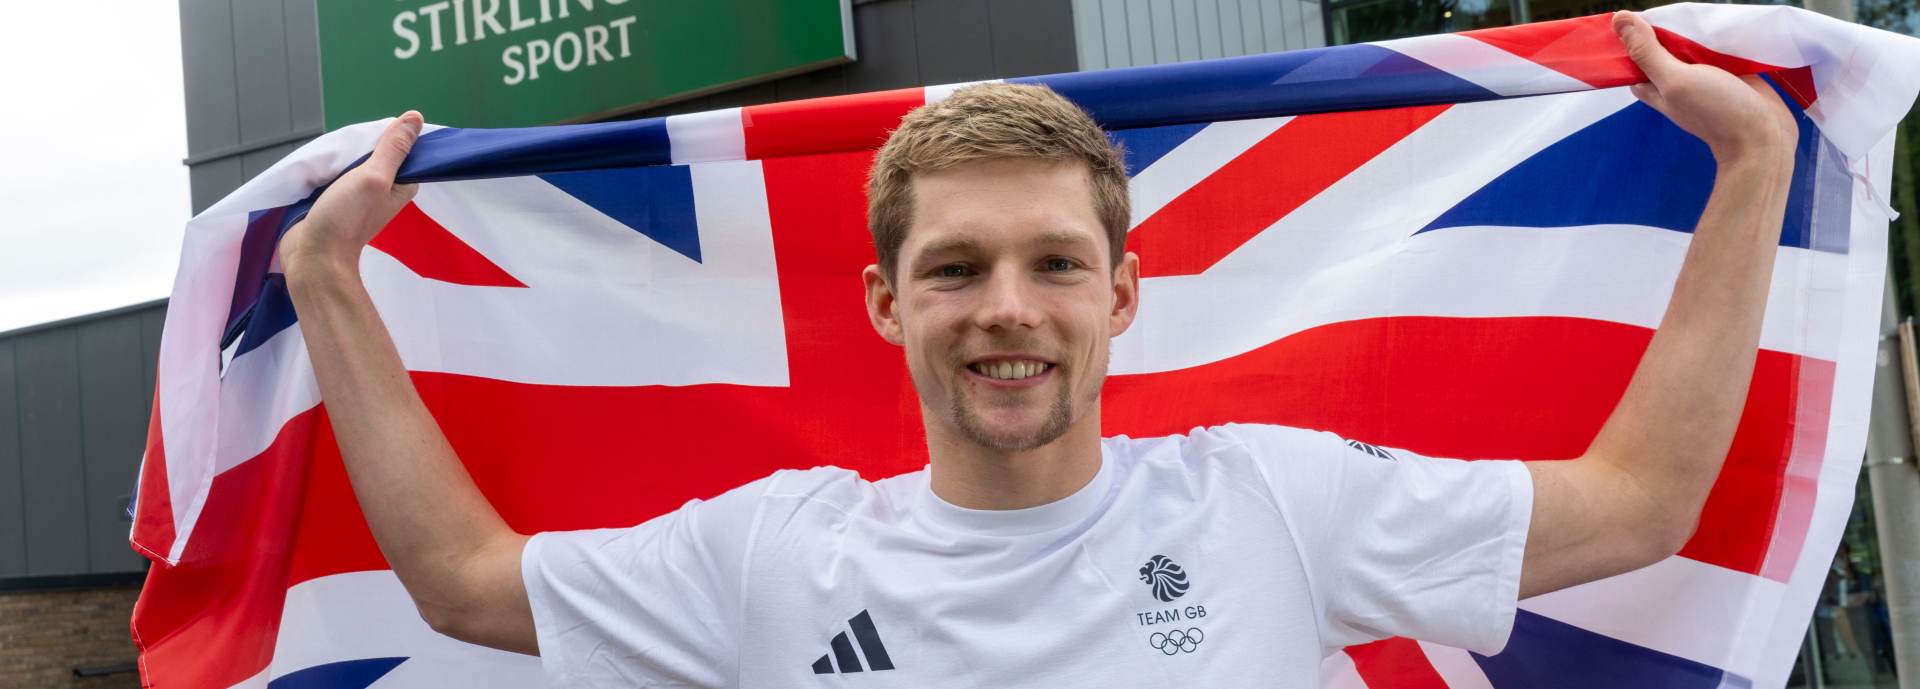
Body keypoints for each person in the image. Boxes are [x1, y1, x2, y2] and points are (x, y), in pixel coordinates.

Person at [275, 11, 1798, 686]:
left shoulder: (1272, 504)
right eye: (955, 268)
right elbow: (465, 583)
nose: (1006, 305)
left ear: (1121, 295)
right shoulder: (769, 559)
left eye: (1053, 262)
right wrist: (325, 279)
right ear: (888, 304)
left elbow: (1641, 501)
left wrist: (1750, 181)